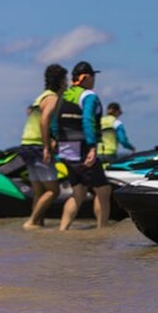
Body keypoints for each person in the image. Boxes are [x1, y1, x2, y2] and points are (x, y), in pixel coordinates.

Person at [53, 61, 111, 230]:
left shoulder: (63, 95)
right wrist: (92, 147)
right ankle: (102, 232)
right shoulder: (88, 96)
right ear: (86, 77)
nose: (94, 80)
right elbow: (88, 120)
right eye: (92, 77)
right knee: (103, 190)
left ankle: (62, 230)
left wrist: (57, 141)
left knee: (78, 191)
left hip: (65, 149)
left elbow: (54, 123)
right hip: (83, 149)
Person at [20, 64, 68, 230]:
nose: (67, 83)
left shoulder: (41, 96)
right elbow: (44, 120)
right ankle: (32, 221)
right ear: (61, 81)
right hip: (38, 146)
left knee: (40, 190)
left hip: (26, 144)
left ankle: (38, 223)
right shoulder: (52, 98)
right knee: (53, 190)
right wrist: (47, 146)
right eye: (66, 79)